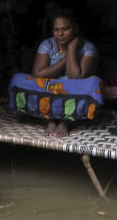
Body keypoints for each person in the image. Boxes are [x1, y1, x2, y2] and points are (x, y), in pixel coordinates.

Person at [9, 9, 101, 137]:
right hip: (50, 86)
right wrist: (66, 57)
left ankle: (66, 120)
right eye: (56, 30)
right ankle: (49, 119)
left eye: (65, 29)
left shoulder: (87, 48)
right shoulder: (48, 44)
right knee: (18, 79)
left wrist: (72, 48)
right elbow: (38, 74)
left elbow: (75, 77)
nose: (60, 34)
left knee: (94, 84)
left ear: (75, 29)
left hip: (73, 89)